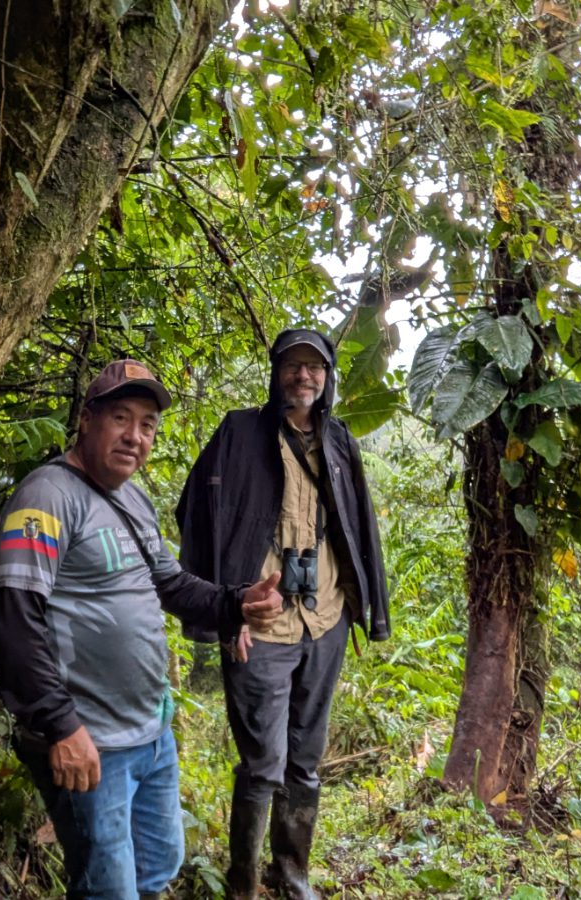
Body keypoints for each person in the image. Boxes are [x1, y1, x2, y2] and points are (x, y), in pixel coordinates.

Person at [0, 359, 284, 900]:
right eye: (121, 417)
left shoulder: (133, 499)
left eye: (147, 424)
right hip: (90, 743)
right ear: (87, 419)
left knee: (158, 866)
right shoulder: (47, 496)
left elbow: (171, 585)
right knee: (108, 889)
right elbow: (15, 620)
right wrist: (60, 727)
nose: (134, 436)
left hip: (151, 736)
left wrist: (237, 602)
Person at [176, 328, 390, 900]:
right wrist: (226, 612)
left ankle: (292, 875)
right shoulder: (239, 433)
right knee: (263, 762)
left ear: (328, 378)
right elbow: (195, 513)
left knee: (306, 760)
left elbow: (360, 529)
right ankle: (243, 883)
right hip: (261, 624)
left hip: (325, 620)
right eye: (293, 365)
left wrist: (362, 609)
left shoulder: (340, 441)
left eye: (314, 367)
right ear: (276, 373)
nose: (304, 376)